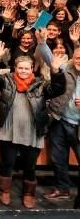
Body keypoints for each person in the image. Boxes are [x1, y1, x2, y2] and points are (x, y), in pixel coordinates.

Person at [0, 41, 66, 208]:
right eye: (20, 68)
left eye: (27, 68)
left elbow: (58, 89)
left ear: (32, 69)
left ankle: (29, 193)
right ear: (15, 68)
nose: (23, 71)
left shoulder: (41, 84)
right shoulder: (7, 81)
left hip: (32, 131)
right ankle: (4, 190)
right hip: (8, 129)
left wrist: (55, 71)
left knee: (29, 166)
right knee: (7, 163)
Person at [44, 48, 80, 204]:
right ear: (72, 58)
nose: (79, 61)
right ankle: (63, 189)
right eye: (78, 58)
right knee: (58, 158)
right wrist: (42, 42)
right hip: (60, 120)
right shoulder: (66, 68)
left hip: (78, 126)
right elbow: (47, 56)